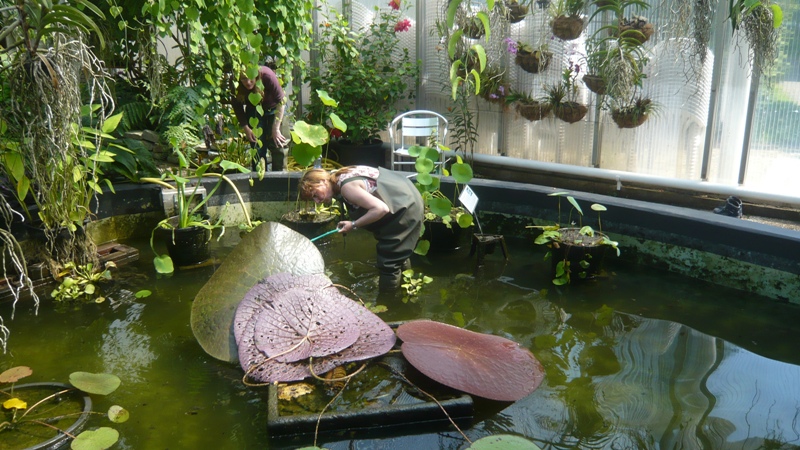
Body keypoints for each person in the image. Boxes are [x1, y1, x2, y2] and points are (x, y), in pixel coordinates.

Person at [299, 166, 424, 290]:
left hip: (405, 208)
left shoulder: (347, 187)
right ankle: (407, 287)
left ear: (322, 181)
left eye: (315, 194)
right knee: (397, 253)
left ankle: (388, 303)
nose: (317, 201)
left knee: (388, 263)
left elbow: (381, 209)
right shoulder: (340, 174)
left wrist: (354, 224)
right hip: (407, 195)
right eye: (313, 199)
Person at [231, 64, 289, 171]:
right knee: (257, 146)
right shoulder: (235, 83)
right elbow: (237, 106)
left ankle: (280, 179)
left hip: (275, 109)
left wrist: (275, 129)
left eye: (250, 78)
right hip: (254, 110)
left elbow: (281, 101)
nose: (248, 82)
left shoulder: (267, 75)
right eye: (243, 79)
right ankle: (260, 179)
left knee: (278, 143)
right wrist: (246, 128)